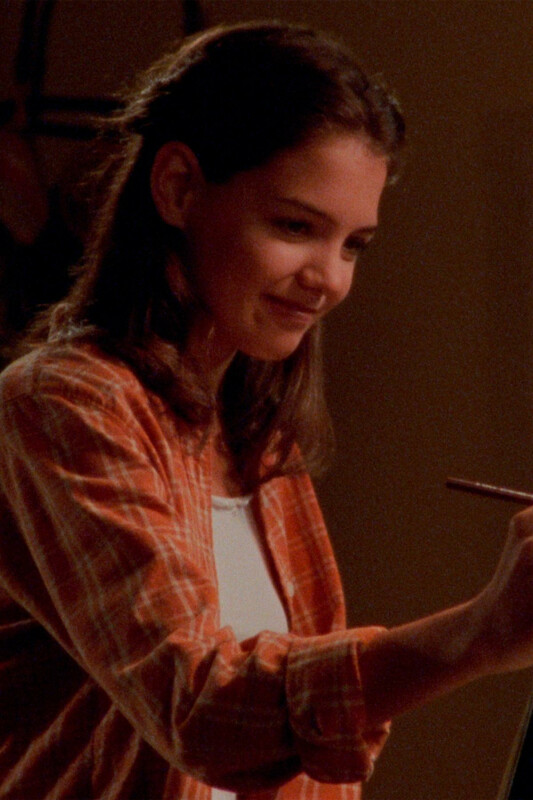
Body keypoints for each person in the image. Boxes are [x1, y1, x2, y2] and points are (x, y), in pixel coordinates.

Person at [1, 20, 533, 800]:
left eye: (353, 245)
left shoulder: (260, 439)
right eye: (295, 227)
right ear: (177, 187)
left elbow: (301, 755)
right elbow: (202, 710)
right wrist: (481, 634)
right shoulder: (59, 404)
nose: (328, 279)